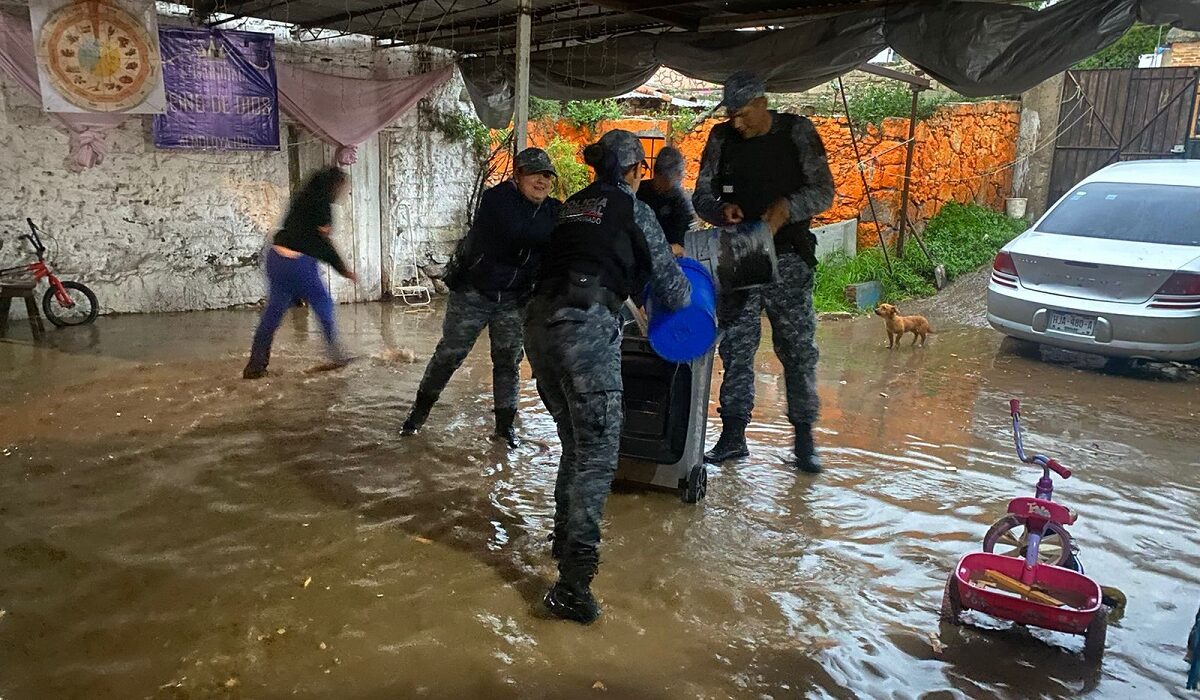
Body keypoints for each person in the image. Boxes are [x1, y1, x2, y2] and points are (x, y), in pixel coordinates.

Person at [525, 130, 692, 624]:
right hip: (584, 328)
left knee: (575, 445)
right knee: (598, 457)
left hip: (537, 328)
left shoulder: (571, 206)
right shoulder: (633, 208)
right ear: (636, 170)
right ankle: (573, 587)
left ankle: (562, 542)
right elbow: (677, 295)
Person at [692, 71, 835, 474]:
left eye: (742, 114)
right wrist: (721, 211)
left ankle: (804, 439)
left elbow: (824, 191)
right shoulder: (721, 140)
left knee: (797, 348)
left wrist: (787, 208)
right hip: (740, 254)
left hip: (788, 254)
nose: (736, 123)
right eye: (731, 115)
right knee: (736, 348)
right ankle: (733, 436)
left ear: (762, 102)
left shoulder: (797, 133)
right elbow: (701, 195)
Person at [402, 148, 561, 445]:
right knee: (450, 355)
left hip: (514, 299)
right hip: (474, 292)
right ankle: (417, 416)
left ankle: (504, 429)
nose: (542, 181)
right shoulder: (497, 199)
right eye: (535, 174)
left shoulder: (553, 210)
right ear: (518, 175)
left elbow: (558, 241)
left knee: (508, 362)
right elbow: (519, 232)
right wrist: (551, 234)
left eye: (547, 175)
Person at [243, 166, 356, 379]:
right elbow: (323, 243)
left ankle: (255, 367)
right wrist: (343, 270)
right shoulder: (322, 206)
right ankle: (337, 357)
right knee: (323, 304)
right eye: (342, 187)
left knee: (273, 314)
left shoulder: (301, 200)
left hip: (275, 259)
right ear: (333, 186)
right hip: (298, 263)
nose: (343, 192)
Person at [636, 146, 694, 257]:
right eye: (662, 177)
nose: (668, 184)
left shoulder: (680, 203)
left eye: (670, 180)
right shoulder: (639, 191)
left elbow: (680, 246)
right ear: (655, 173)